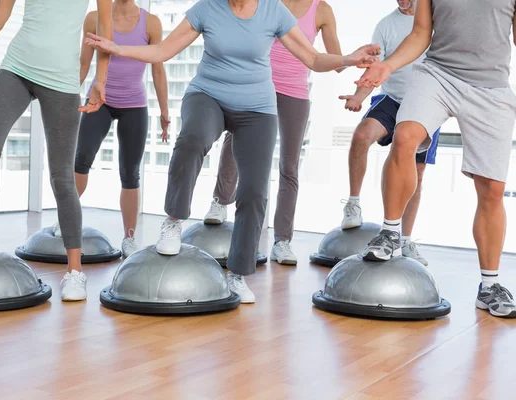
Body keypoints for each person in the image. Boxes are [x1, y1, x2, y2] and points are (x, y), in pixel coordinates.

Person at [85, 0, 379, 303]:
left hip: (257, 109)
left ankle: (238, 274)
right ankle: (173, 222)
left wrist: (348, 58)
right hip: (207, 95)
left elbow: (313, 58)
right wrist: (118, 48)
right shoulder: (208, 8)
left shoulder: (273, 11)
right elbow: (163, 51)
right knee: (193, 138)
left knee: (253, 190)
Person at [0, 0, 113, 301]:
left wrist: (100, 80)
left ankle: (75, 271)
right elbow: (0, 11)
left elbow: (105, 28)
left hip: (62, 80)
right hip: (17, 68)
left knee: (61, 177)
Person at [357, 0, 516, 317]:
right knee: (404, 136)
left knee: (492, 189)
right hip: (438, 75)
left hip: (491, 88)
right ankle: (391, 231)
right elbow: (420, 34)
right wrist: (388, 65)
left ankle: (489, 286)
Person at [202, 0, 343, 266]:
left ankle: (282, 241)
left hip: (295, 92)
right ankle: (220, 202)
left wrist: (354, 59)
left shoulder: (322, 10)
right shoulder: (267, 4)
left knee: (289, 166)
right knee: (234, 141)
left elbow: (335, 61)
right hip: (257, 83)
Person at [53, 0, 170, 259]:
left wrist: (164, 112)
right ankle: (65, 221)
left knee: (130, 173)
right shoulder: (93, 18)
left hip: (135, 105)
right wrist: (69, 101)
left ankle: (129, 238)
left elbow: (158, 70)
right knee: (81, 159)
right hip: (98, 102)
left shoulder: (151, 23)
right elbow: (84, 64)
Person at [338, 0, 440, 266]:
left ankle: (405, 241)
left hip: (427, 103)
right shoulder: (385, 25)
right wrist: (359, 96)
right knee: (361, 135)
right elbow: (375, 68)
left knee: (416, 172)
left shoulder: (435, 20)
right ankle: (353, 204)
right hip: (392, 99)